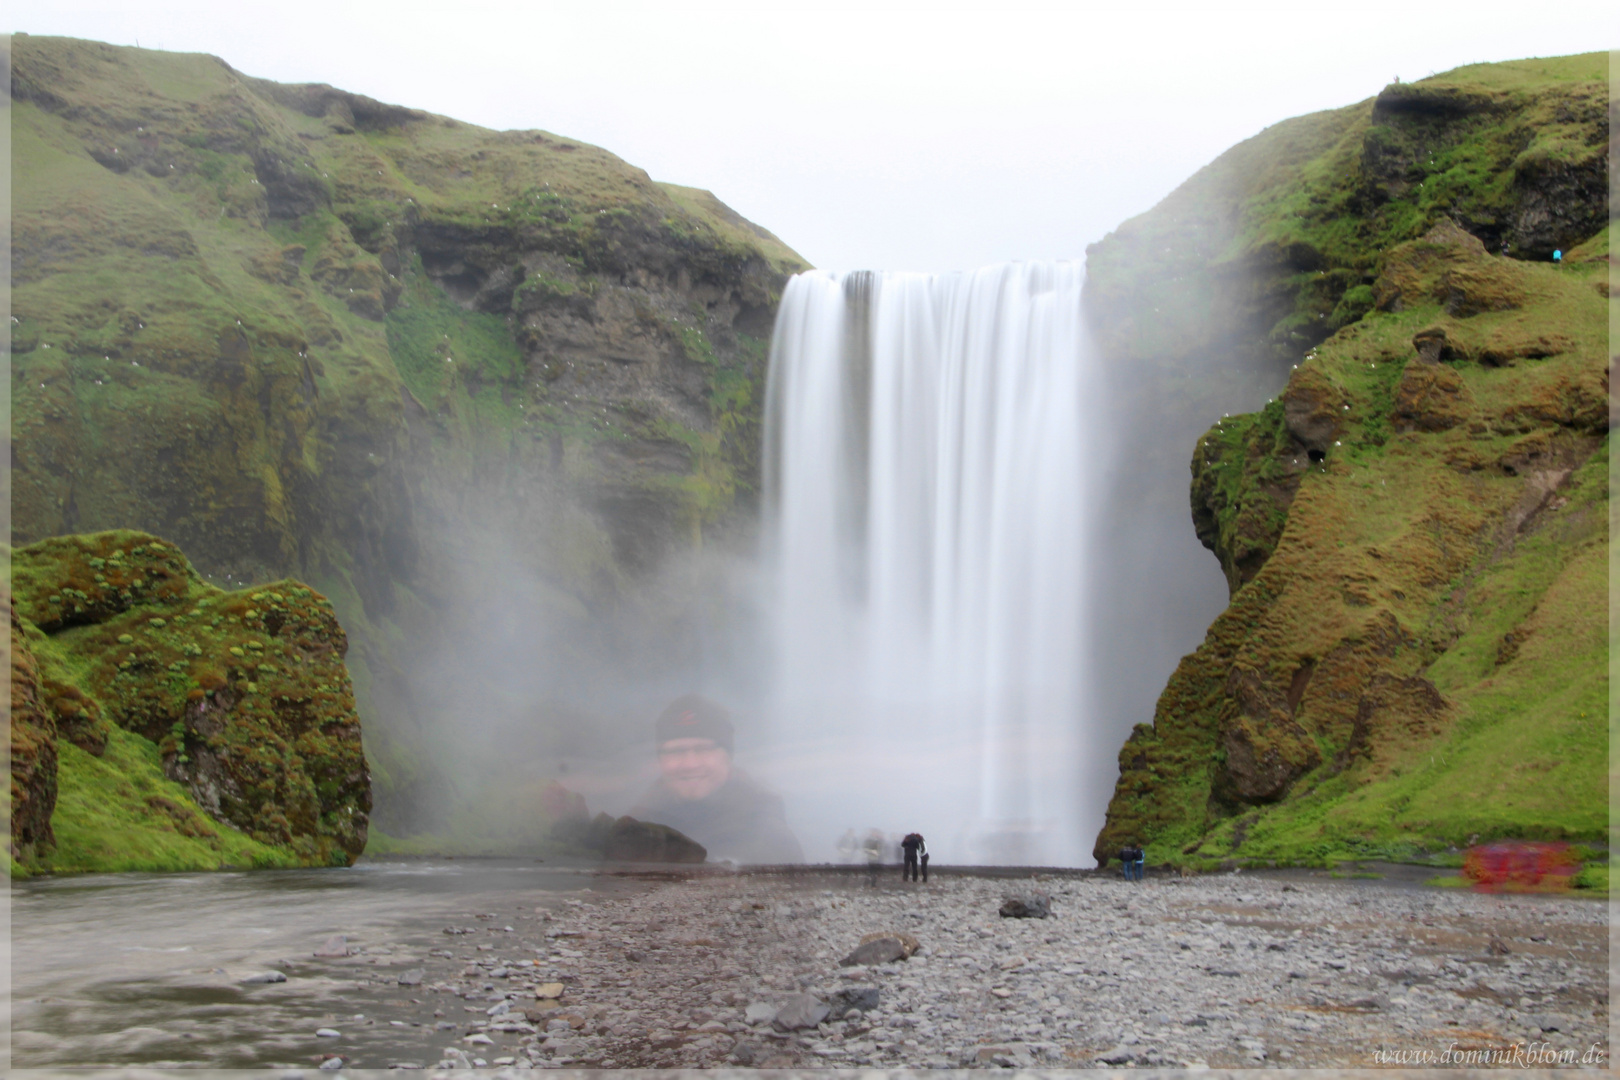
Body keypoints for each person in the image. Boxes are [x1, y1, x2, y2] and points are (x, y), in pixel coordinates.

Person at [628, 693, 803, 865]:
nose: (690, 764)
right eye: (676, 751)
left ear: (728, 757)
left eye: (704, 749)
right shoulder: (635, 832)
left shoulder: (768, 837)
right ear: (660, 760)